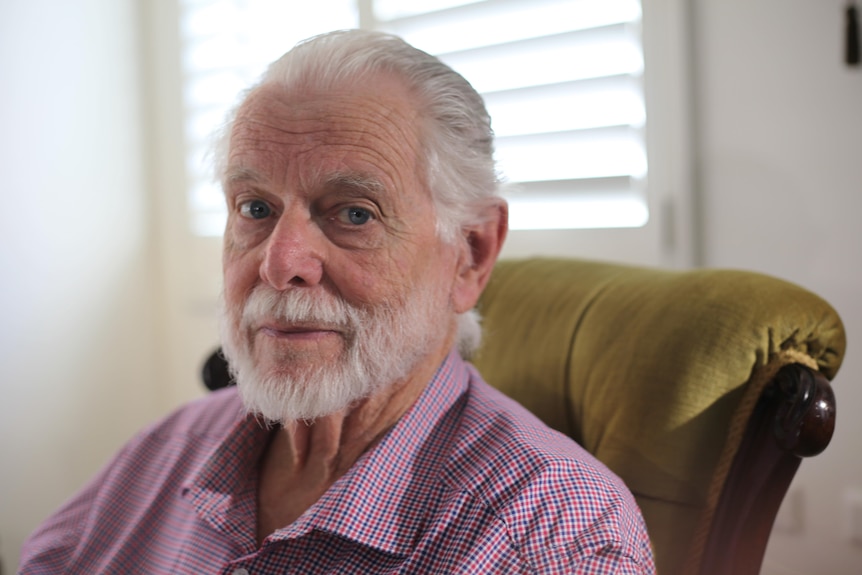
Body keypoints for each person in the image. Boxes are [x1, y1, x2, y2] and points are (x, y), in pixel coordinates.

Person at [20, 30, 655, 574]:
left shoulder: (549, 537)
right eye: (255, 209)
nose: (279, 263)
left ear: (471, 253)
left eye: (354, 213)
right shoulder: (165, 450)